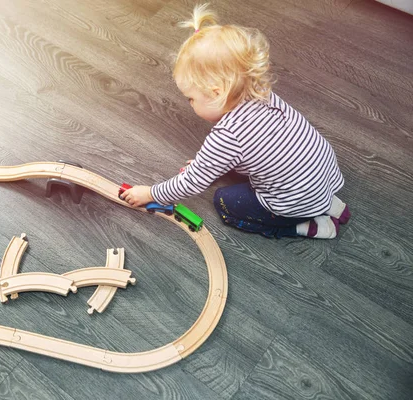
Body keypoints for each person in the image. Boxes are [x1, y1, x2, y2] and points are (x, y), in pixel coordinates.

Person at [120, 4, 350, 239]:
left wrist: (150, 193)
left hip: (291, 202)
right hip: (324, 175)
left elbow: (191, 183)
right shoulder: (262, 91)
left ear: (218, 92)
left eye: (191, 98)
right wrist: (208, 163)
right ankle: (328, 205)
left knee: (224, 203)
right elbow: (262, 146)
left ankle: (302, 226)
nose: (189, 103)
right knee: (283, 180)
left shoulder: (227, 136)